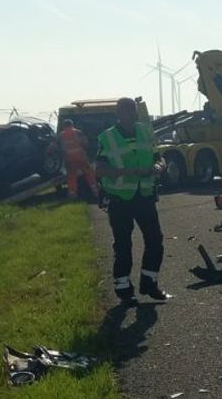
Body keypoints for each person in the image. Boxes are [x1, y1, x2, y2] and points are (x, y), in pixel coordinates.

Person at [95, 97, 168, 305]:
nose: (132, 114)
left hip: (144, 195)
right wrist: (125, 172)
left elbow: (158, 157)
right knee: (123, 245)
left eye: (133, 111)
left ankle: (149, 283)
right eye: (127, 111)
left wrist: (159, 167)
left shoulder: (146, 131)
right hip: (119, 198)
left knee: (155, 240)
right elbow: (99, 170)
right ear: (119, 114)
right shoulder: (107, 138)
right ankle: (123, 289)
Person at [59, 120, 99, 200]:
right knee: (89, 175)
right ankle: (96, 193)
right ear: (72, 125)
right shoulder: (78, 132)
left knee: (72, 177)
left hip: (69, 159)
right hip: (81, 158)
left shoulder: (61, 135)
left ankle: (72, 195)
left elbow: (59, 147)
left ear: (64, 126)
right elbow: (85, 143)